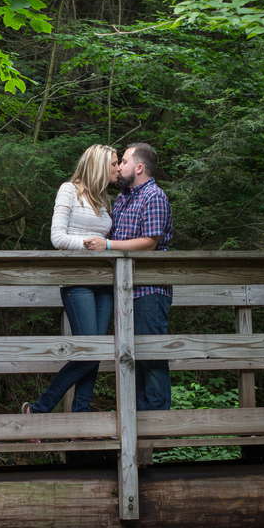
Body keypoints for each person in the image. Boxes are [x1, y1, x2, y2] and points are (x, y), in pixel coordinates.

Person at [22, 144, 119, 416]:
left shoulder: (105, 200)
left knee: (96, 351)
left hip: (105, 282)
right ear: (99, 165)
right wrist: (92, 244)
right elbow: (57, 238)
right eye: (113, 163)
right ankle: (39, 409)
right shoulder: (69, 190)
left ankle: (82, 414)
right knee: (87, 350)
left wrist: (107, 245)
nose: (118, 168)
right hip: (77, 280)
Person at [83, 142, 173, 411]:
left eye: (123, 161)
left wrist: (108, 246)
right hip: (122, 291)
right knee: (130, 358)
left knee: (152, 359)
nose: (119, 166)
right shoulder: (122, 199)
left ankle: (156, 425)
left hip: (148, 291)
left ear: (139, 167)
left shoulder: (153, 196)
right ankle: (135, 422)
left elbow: (150, 242)